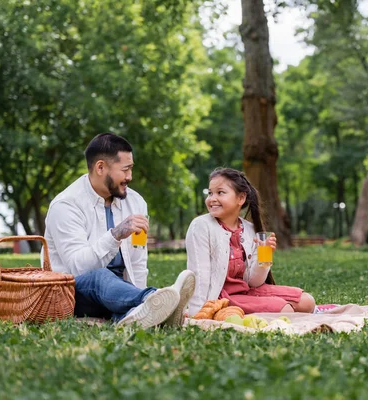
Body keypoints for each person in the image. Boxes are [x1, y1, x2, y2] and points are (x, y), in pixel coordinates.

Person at [43, 132, 195, 329]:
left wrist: (134, 290)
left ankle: (139, 313)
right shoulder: (65, 206)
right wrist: (116, 235)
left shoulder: (136, 202)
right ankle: (153, 298)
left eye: (131, 169)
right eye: (125, 170)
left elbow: (138, 262)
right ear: (100, 167)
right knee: (100, 276)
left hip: (118, 294)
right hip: (71, 294)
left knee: (120, 294)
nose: (129, 177)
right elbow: (78, 268)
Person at [186, 167, 315, 316]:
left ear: (241, 198)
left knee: (307, 302)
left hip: (248, 291)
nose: (212, 198)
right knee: (285, 310)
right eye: (210, 193)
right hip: (221, 297)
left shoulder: (249, 229)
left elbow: (254, 282)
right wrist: (199, 313)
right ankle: (225, 312)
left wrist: (264, 258)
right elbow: (198, 274)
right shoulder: (201, 226)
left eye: (220, 192)